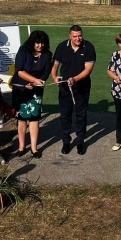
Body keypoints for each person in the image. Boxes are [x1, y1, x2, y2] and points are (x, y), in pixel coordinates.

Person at [51, 25, 96, 155]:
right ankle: (66, 141)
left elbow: (88, 69)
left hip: (82, 88)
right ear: (70, 36)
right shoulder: (62, 46)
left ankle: (80, 141)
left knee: (81, 116)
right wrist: (54, 77)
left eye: (80, 36)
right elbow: (55, 65)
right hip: (65, 87)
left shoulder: (89, 47)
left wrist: (75, 79)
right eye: (75, 36)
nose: (78, 38)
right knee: (65, 115)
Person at [11, 30, 52, 158]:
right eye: (37, 43)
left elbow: (46, 73)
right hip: (21, 87)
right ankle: (21, 146)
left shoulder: (47, 54)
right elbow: (19, 70)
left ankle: (34, 148)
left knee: (34, 118)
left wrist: (36, 83)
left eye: (42, 43)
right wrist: (32, 80)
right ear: (32, 42)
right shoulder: (23, 50)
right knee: (22, 118)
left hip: (36, 89)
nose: (40, 45)